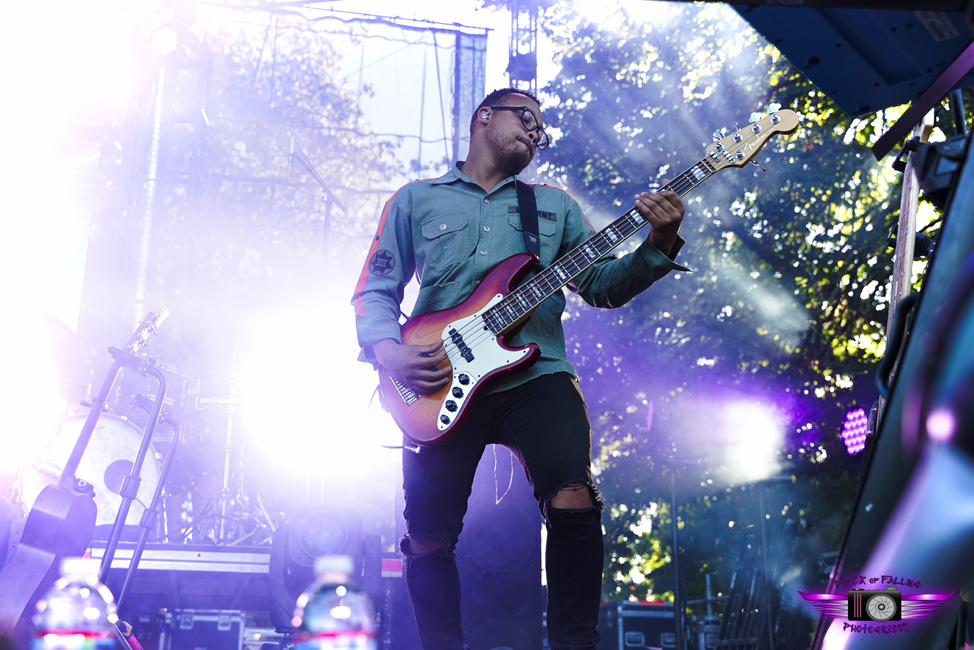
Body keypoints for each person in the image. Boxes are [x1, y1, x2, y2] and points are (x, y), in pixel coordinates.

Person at [351, 87, 687, 650]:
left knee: (574, 494)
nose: (535, 133)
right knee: (428, 536)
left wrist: (660, 239)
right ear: (485, 117)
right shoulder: (415, 200)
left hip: (537, 373)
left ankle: (574, 645)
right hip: (435, 376)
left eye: (541, 130)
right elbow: (375, 289)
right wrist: (389, 352)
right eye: (525, 120)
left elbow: (602, 286)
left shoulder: (553, 208)